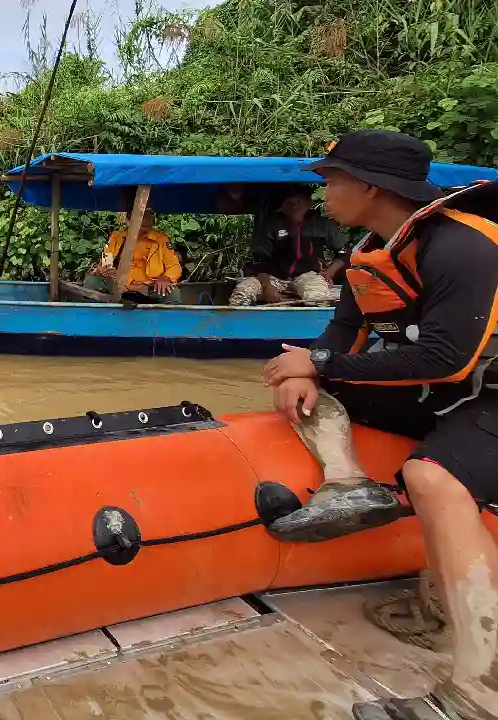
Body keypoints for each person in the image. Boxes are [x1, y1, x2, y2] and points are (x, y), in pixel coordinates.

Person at [261, 130, 498, 720]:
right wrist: (307, 371)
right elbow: (343, 331)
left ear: (369, 186)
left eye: (331, 180)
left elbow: (449, 355)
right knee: (306, 394)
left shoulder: (462, 246)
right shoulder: (376, 246)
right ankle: (348, 482)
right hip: (440, 394)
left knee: (432, 477)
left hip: (487, 393)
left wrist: (317, 363)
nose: (323, 194)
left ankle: (478, 692)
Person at [229, 185, 350, 306]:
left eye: (299, 202)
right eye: (290, 202)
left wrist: (329, 272)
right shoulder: (270, 225)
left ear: (309, 202)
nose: (295, 206)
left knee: (319, 299)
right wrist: (267, 286)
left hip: (308, 276)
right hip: (272, 277)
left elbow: (345, 251)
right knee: (242, 293)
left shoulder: (322, 225)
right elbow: (260, 261)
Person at [81, 207, 183, 304]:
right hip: (119, 285)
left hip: (149, 286)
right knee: (92, 281)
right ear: (129, 218)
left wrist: (166, 278)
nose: (146, 220)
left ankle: (165, 321)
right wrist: (103, 270)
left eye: (149, 216)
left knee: (173, 293)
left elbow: (174, 266)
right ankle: (96, 319)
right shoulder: (117, 237)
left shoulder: (161, 239)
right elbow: (105, 262)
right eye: (142, 216)